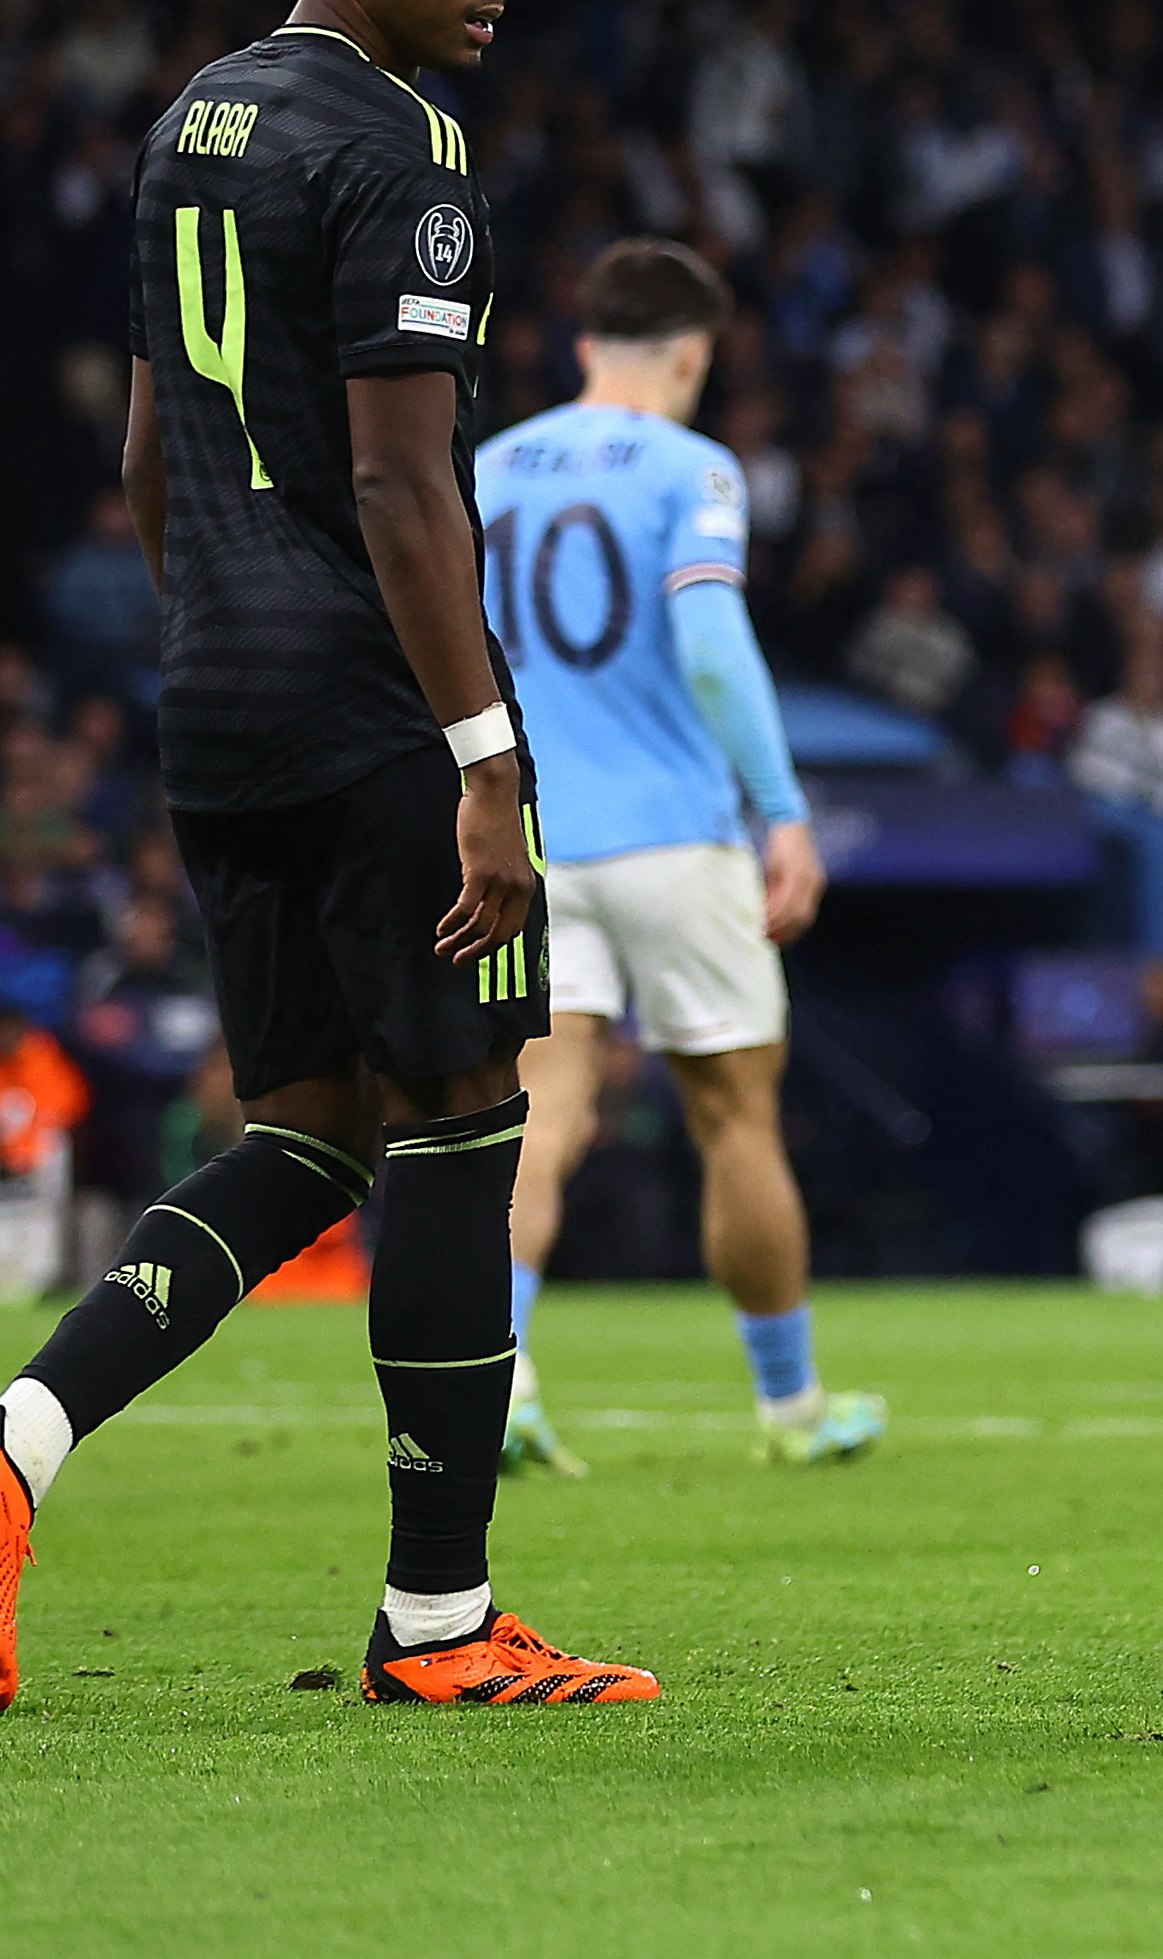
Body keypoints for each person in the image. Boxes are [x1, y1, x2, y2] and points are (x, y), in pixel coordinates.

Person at [0, 0, 655, 1713]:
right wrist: (481, 753)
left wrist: (231, 628)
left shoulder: (194, 122)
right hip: (371, 705)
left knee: (312, 1129)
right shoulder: (403, 149)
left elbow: (153, 463)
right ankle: (442, 1625)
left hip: (216, 698)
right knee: (467, 1111)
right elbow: (409, 485)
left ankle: (15, 1444)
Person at [475, 237, 873, 1477]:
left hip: (535, 840)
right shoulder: (695, 469)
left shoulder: (487, 468)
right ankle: (791, 1406)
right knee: (735, 1113)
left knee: (538, 1110)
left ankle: (504, 1375)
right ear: (693, 355)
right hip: (676, 837)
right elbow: (709, 643)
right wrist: (783, 807)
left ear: (586, 344)